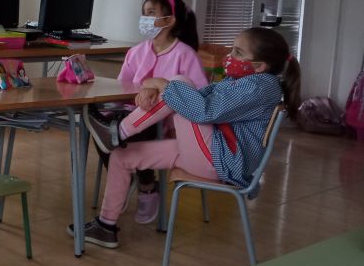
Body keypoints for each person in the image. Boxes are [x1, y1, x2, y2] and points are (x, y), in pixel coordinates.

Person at [76, 26, 300, 249]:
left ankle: (118, 132)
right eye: (232, 49)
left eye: (238, 53)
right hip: (211, 152)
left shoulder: (258, 87)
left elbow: (203, 111)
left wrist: (162, 85)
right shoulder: (242, 80)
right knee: (122, 156)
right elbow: (199, 95)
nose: (230, 56)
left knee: (180, 84)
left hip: (221, 161)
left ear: (260, 66)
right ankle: (106, 225)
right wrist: (158, 87)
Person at [108, 0, 206, 224]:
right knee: (103, 129)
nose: (145, 18)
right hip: (133, 114)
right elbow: (122, 88)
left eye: (151, 13)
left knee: (125, 134)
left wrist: (158, 88)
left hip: (169, 123)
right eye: (143, 13)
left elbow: (198, 97)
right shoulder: (136, 52)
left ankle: (147, 187)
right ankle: (124, 182)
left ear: (169, 20)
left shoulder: (185, 54)